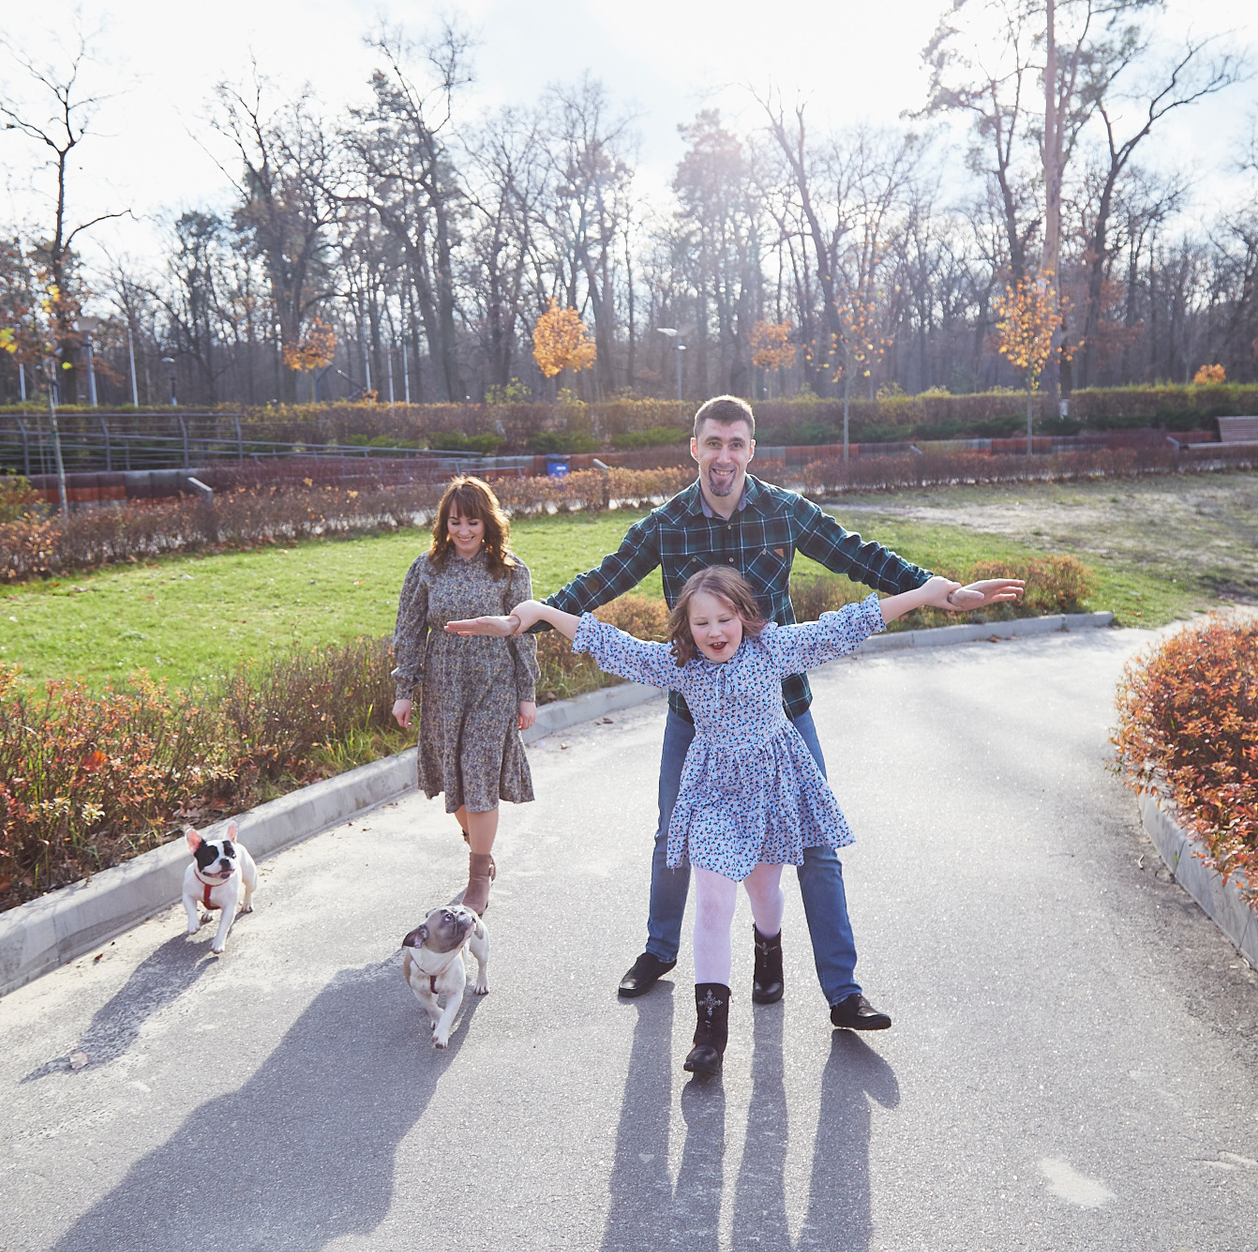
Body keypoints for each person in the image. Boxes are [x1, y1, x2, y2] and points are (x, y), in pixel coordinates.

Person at [540, 394, 1017, 1028]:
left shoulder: (785, 512)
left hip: (783, 713)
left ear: (751, 451)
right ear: (695, 448)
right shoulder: (665, 525)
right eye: (713, 443)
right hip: (698, 719)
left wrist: (941, 591)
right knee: (673, 833)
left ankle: (842, 991)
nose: (724, 456)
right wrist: (531, 618)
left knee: (816, 845)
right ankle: (660, 949)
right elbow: (601, 582)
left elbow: (860, 557)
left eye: (736, 444)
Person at [449, 565, 1020, 1073]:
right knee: (714, 902)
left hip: (772, 788)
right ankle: (710, 1034)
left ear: (745, 617)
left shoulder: (773, 649)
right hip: (714, 794)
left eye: (724, 619)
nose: (715, 632)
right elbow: (612, 644)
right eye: (701, 623)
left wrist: (924, 593)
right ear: (687, 628)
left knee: (765, 891)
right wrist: (539, 611)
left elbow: (850, 623)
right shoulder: (681, 665)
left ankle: (768, 949)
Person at [391, 475, 539, 914]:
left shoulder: (510, 570)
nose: (464, 530)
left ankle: (477, 877)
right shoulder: (426, 568)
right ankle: (478, 844)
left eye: (473, 521)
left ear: (488, 522)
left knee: (478, 773)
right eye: (455, 521)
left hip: (493, 682)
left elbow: (524, 636)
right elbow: (408, 631)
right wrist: (404, 690)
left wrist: (527, 693)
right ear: (444, 523)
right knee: (453, 775)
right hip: (444, 683)